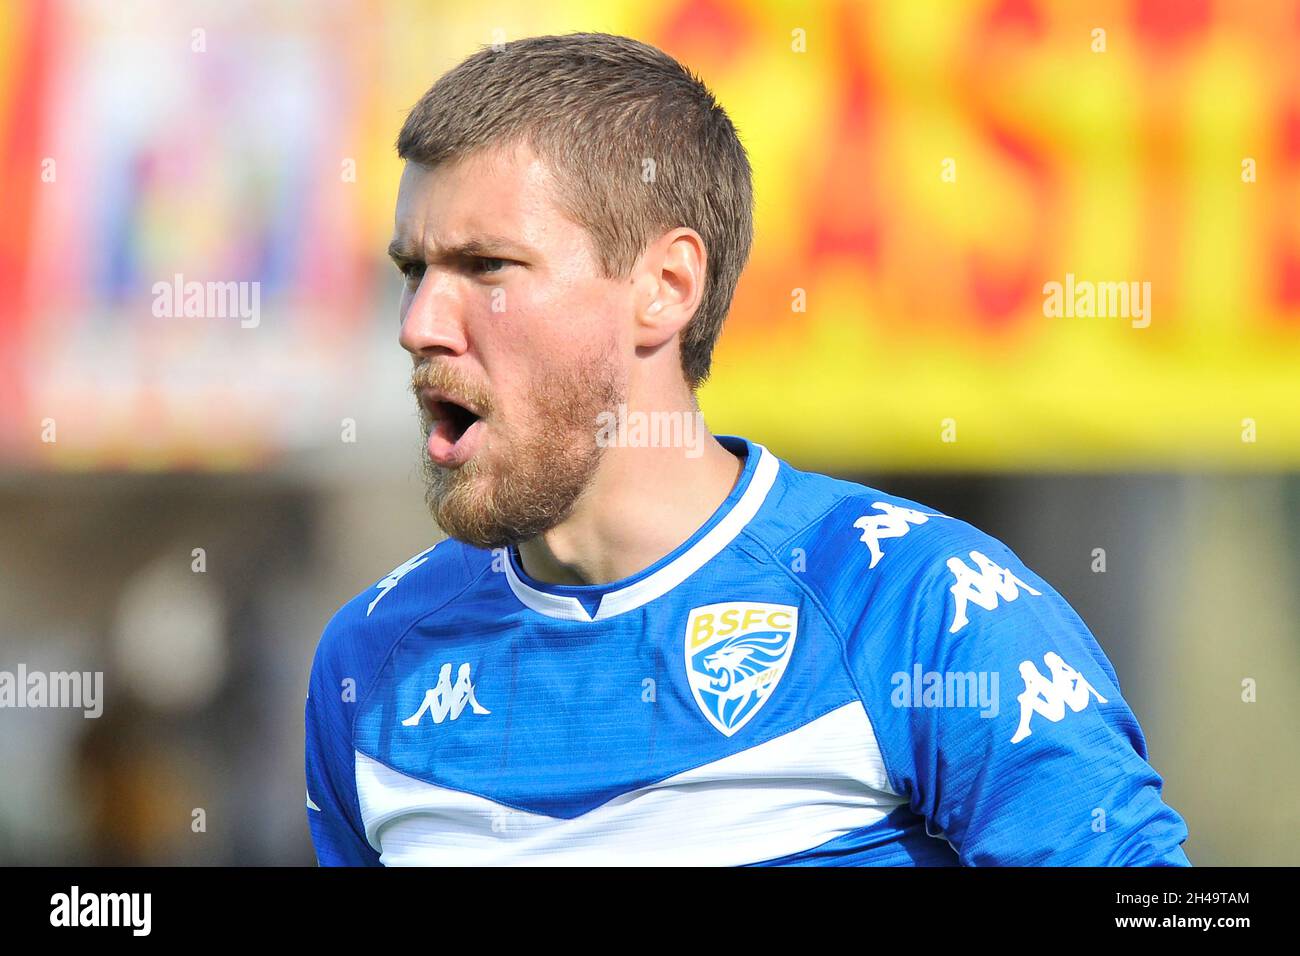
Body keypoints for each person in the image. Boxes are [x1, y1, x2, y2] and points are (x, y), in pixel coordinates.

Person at [305, 32, 1190, 866]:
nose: (420, 325)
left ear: (666, 287)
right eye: (413, 270)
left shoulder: (919, 606)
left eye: (486, 267)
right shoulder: (372, 660)